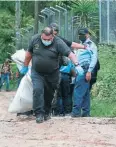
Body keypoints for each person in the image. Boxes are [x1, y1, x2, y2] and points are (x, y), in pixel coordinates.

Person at [20, 27, 83, 123]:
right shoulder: (35, 39)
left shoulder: (58, 42)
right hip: (37, 72)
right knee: (38, 90)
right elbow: (29, 54)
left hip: (53, 73)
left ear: (52, 36)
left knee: (49, 94)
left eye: (49, 39)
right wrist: (25, 66)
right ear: (41, 35)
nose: (46, 41)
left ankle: (46, 111)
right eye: (44, 39)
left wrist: (77, 65)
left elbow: (70, 54)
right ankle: (39, 114)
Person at [71, 28, 98, 117]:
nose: (81, 36)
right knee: (85, 92)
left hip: (85, 69)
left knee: (78, 91)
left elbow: (94, 59)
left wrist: (89, 71)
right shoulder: (80, 45)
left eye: (83, 34)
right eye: (79, 35)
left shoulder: (91, 45)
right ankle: (86, 113)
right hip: (80, 69)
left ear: (88, 35)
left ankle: (76, 112)